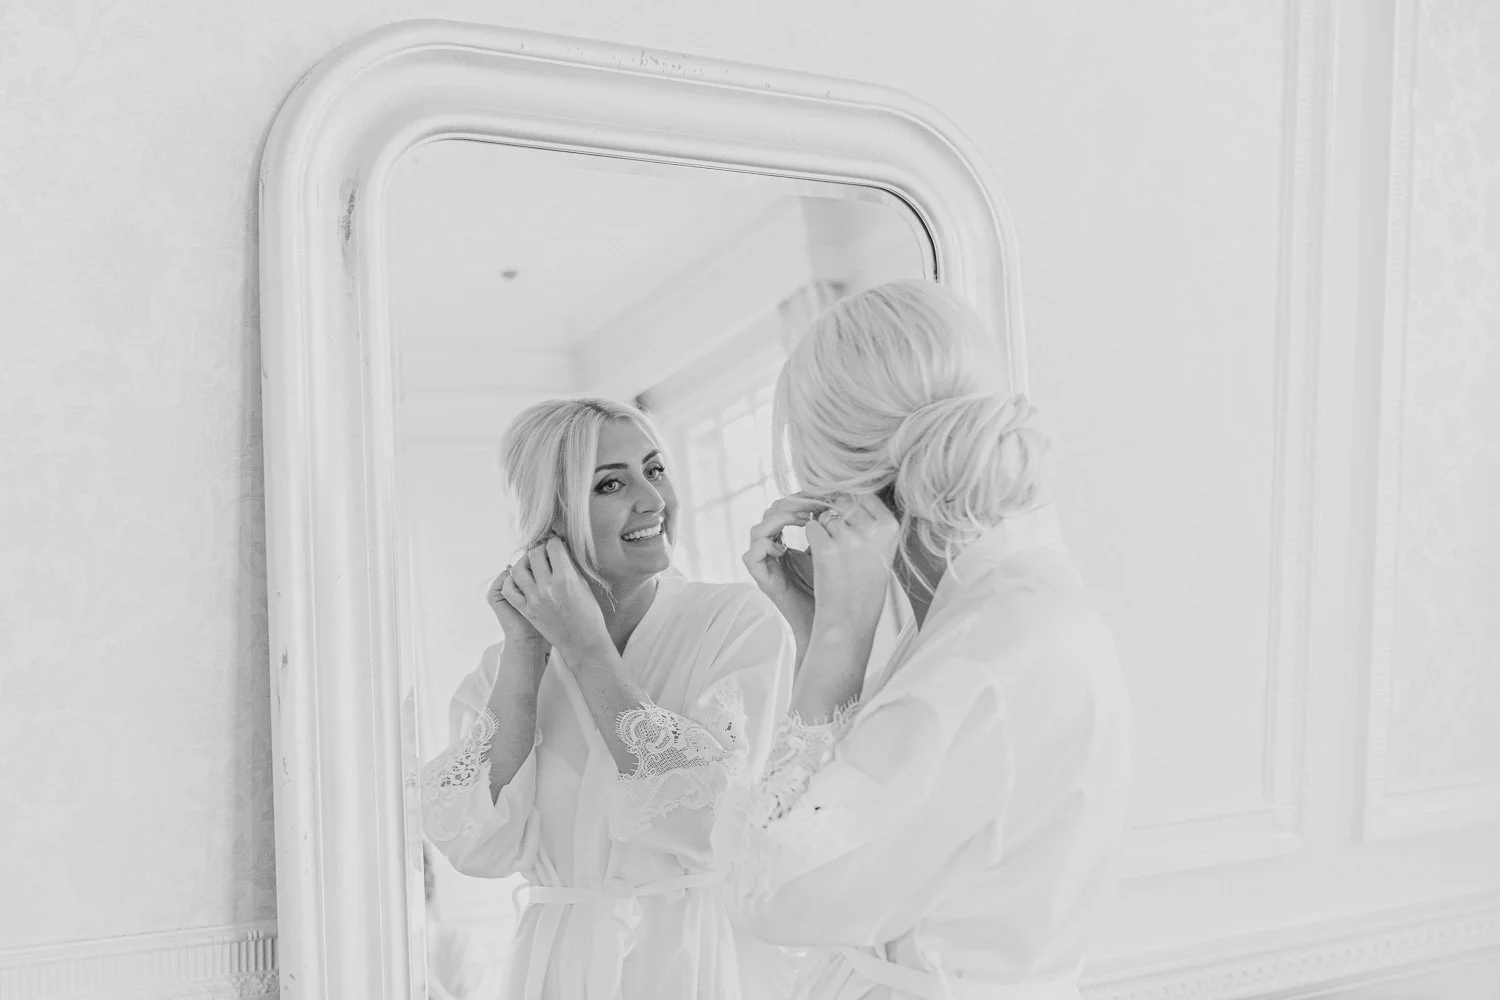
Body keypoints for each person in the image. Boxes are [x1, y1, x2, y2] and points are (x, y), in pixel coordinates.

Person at [714, 279, 1134, 1000]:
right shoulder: (1009, 607)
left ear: (839, 489)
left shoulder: (976, 659)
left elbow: (774, 891)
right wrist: (819, 628)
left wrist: (838, 642)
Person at [419, 398, 795, 1000]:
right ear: (552, 517)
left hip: (693, 965)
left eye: (656, 470)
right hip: (557, 973)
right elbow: (478, 845)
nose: (652, 500)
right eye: (611, 484)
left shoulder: (734, 623)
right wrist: (524, 650)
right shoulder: (502, 668)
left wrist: (588, 648)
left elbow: (711, 823)